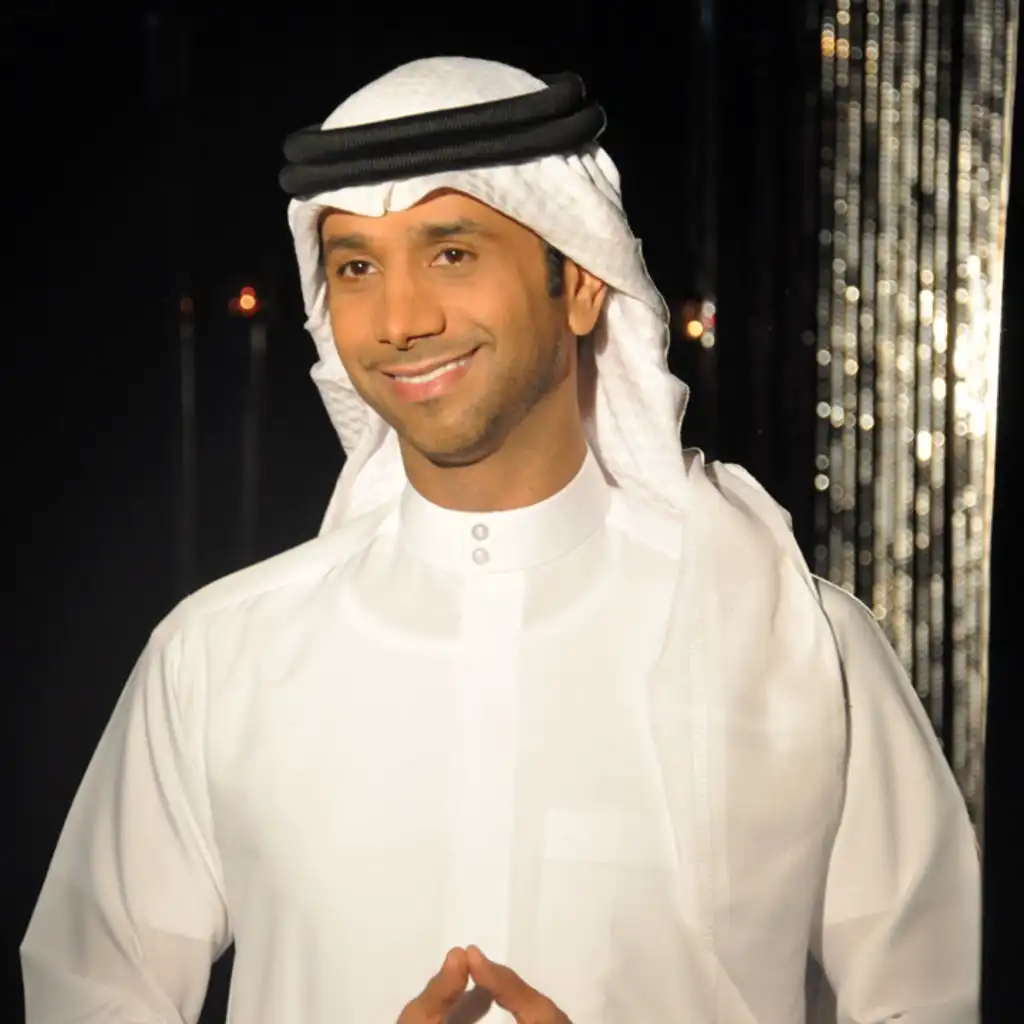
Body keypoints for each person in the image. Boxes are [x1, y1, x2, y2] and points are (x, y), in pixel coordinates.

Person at [21, 57, 980, 1024]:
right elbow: (88, 995)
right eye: (357, 267)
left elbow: (938, 999)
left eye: (451, 253)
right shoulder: (218, 655)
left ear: (582, 284)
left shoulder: (798, 647)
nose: (401, 321)